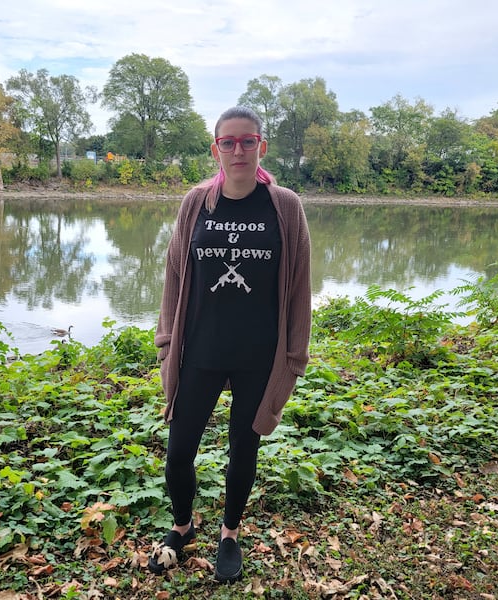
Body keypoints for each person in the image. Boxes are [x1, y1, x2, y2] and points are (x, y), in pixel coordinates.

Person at [148, 106, 312, 582]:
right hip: (198, 351)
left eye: (247, 141)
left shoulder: (284, 207)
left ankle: (229, 533)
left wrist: (293, 357)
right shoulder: (196, 203)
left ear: (261, 146)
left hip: (257, 357)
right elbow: (174, 275)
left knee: (243, 451)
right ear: (215, 147)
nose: (237, 150)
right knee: (179, 453)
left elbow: (300, 287)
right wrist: (165, 343)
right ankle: (182, 526)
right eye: (228, 142)